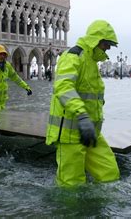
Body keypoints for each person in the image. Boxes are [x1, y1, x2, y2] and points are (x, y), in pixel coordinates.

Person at [46, 20, 120, 187]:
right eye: (107, 43)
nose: (108, 48)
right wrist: (82, 114)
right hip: (70, 132)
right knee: (71, 184)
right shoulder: (73, 56)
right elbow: (63, 87)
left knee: (110, 172)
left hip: (91, 132)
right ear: (96, 40)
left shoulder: (92, 62)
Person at [0, 44, 32, 111]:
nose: (2, 56)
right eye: (0, 54)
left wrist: (26, 87)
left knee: (1, 119)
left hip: (3, 100)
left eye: (4, 54)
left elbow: (16, 78)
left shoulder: (7, 66)